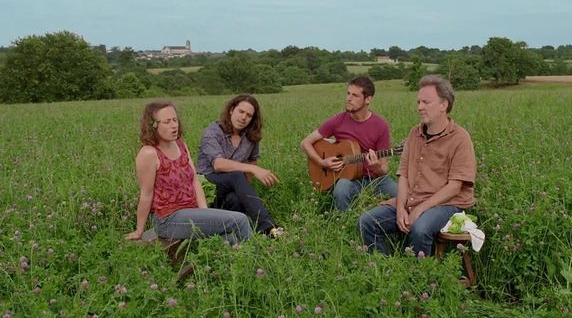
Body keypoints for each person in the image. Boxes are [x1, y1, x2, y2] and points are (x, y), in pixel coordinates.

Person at [357, 75, 476, 256]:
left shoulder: (460, 138)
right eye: (419, 102)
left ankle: (419, 279)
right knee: (367, 222)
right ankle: (384, 269)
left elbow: (454, 187)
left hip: (446, 204)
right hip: (413, 200)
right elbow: (403, 175)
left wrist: (419, 209)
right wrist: (399, 209)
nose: (420, 107)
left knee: (420, 228)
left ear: (444, 105)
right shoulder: (415, 133)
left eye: (426, 102)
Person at [125, 100, 251, 244]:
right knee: (240, 221)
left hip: (191, 212)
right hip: (168, 219)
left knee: (229, 237)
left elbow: (194, 180)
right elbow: (146, 194)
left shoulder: (180, 145)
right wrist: (139, 230)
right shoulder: (149, 153)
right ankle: (256, 260)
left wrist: (205, 212)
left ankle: (224, 260)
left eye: (175, 119)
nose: (174, 125)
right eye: (167, 122)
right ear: (153, 126)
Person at [300, 76, 397, 211]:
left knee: (400, 195)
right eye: (348, 93)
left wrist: (377, 168)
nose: (349, 98)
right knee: (340, 191)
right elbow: (305, 143)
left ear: (368, 99)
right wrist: (322, 163)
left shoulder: (381, 125)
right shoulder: (337, 121)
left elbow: (384, 168)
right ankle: (344, 222)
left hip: (375, 179)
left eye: (355, 95)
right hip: (349, 178)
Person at [197, 94, 284, 238]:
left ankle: (236, 234)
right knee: (237, 175)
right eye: (241, 112)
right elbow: (218, 164)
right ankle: (268, 227)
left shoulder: (250, 137)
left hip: (229, 190)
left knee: (236, 199)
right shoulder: (212, 132)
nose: (244, 118)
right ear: (231, 110)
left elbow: (252, 161)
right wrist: (253, 169)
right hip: (207, 185)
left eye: (249, 115)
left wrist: (245, 192)